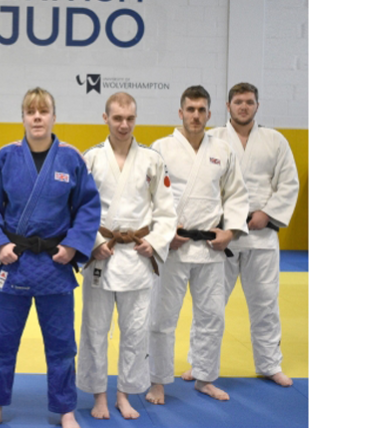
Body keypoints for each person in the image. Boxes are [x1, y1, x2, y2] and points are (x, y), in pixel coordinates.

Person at [0, 87, 102, 428]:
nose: (36, 117)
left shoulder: (71, 158)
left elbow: (88, 207)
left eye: (43, 111)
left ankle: (65, 411)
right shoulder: (5, 156)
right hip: (13, 261)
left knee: (61, 345)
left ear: (53, 117)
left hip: (55, 263)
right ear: (23, 118)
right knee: (0, 341)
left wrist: (74, 246)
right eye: (30, 112)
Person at [77, 92, 177, 420]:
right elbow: (75, 208)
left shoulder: (151, 159)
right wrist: (92, 243)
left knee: (135, 329)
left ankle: (124, 394)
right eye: (117, 118)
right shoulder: (90, 158)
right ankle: (98, 396)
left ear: (136, 118)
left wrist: (158, 242)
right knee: (94, 329)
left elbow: (166, 210)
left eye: (130, 118)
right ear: (105, 117)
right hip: (102, 256)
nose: (124, 125)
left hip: (137, 254)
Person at [146, 85, 249, 403]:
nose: (196, 115)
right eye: (190, 109)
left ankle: (204, 377)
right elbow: (146, 195)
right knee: (163, 317)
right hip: (172, 247)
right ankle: (157, 381)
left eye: (201, 110)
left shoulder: (223, 150)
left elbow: (236, 194)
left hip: (210, 247)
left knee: (212, 316)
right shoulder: (160, 148)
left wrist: (230, 232)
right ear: (180, 113)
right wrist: (163, 232)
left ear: (209, 113)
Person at [203, 82, 301, 388]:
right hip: (224, 236)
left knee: (265, 302)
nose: (243, 106)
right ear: (228, 106)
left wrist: (268, 214)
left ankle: (270, 364)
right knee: (211, 303)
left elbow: (288, 183)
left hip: (261, 232)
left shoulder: (275, 140)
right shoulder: (213, 139)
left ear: (257, 106)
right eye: (238, 102)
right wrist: (219, 221)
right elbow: (203, 184)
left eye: (249, 102)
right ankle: (202, 365)